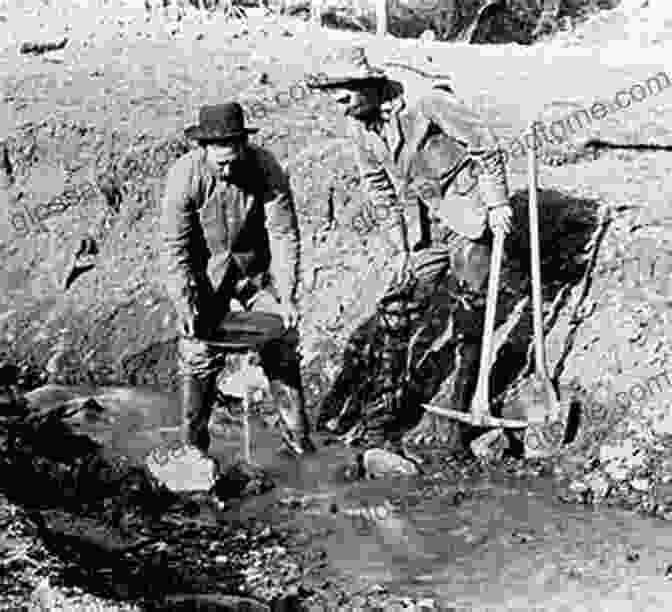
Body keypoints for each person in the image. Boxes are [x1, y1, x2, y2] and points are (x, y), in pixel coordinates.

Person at [307, 48, 513, 456]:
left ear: (368, 86)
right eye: (332, 95)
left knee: (470, 310)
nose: (339, 105)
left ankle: (461, 416)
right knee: (396, 310)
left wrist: (498, 202)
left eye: (344, 94)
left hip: (467, 210)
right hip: (423, 223)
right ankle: (380, 426)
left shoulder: (427, 101)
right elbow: (379, 188)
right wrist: (400, 247)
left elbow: (485, 144)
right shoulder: (359, 125)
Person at [160, 102, 316, 472]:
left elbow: (282, 233)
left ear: (244, 146)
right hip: (204, 278)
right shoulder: (185, 176)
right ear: (204, 150)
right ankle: (193, 451)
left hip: (253, 273)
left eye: (234, 160)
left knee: (281, 343)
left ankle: (298, 443)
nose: (228, 170)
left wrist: (287, 295)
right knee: (198, 354)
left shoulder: (264, 168)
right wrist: (185, 304)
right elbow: (174, 249)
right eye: (220, 163)